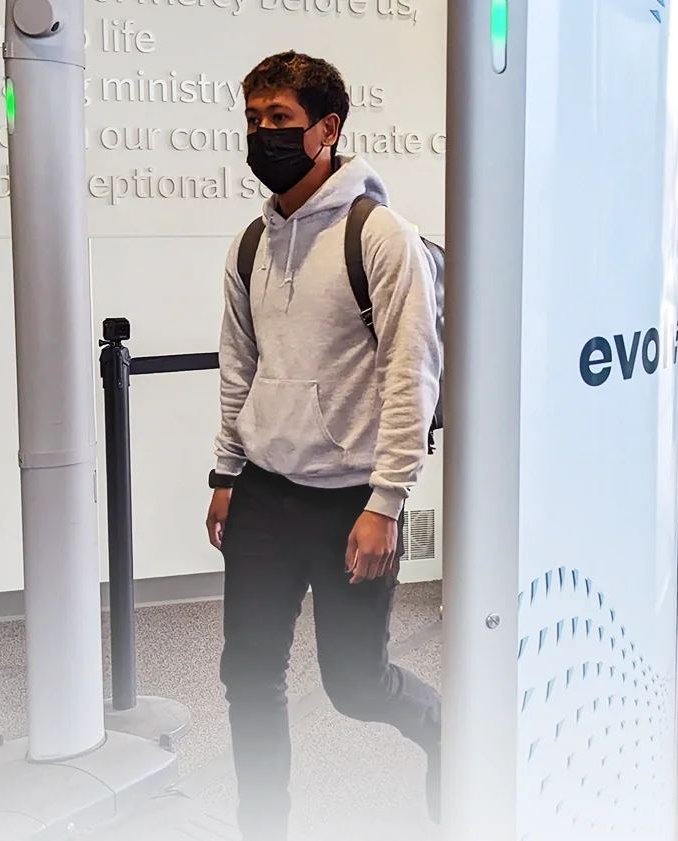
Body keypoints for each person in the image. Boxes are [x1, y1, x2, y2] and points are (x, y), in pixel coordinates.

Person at [205, 50, 443, 841]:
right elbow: (240, 364)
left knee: (355, 684)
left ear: (326, 129)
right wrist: (225, 472)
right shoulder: (250, 242)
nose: (261, 134)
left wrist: (386, 501)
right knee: (248, 674)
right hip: (265, 496)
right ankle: (260, 824)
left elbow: (413, 375)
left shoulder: (381, 237)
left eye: (278, 120)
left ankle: (441, 727)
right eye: (252, 119)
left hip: (351, 501)